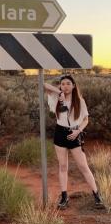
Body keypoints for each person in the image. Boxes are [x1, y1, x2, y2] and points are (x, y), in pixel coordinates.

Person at [44, 74, 103, 210]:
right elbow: (44, 85)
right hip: (60, 133)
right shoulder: (56, 98)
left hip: (75, 133)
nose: (65, 86)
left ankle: (97, 195)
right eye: (63, 84)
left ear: (74, 86)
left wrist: (78, 131)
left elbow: (86, 119)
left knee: (83, 166)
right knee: (63, 166)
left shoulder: (79, 101)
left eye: (68, 84)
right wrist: (59, 93)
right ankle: (64, 197)